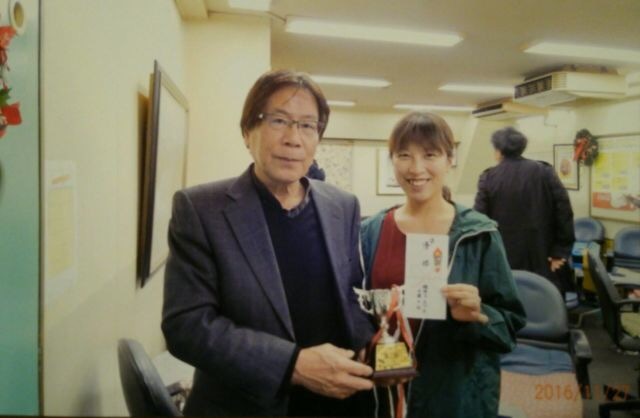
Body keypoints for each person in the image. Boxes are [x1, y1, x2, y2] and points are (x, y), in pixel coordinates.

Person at [162, 69, 375, 416]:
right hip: (245, 405)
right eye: (278, 121)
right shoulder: (202, 209)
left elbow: (350, 293)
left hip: (337, 401)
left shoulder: (343, 205)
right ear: (248, 132)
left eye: (307, 125)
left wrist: (369, 340)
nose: (294, 139)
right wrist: (294, 365)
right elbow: (186, 325)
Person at [360, 112, 526, 418]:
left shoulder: (478, 234)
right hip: (386, 392)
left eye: (430, 155)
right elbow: (355, 311)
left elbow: (510, 327)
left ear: (450, 159)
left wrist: (478, 315)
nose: (416, 168)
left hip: (455, 394)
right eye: (404, 155)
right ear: (392, 160)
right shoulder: (371, 231)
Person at [473, 126, 575, 294]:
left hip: (503, 261)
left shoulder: (488, 178)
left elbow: (479, 221)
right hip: (543, 257)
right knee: (546, 303)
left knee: (507, 305)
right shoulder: (545, 172)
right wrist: (560, 252)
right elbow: (564, 211)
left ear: (498, 151)